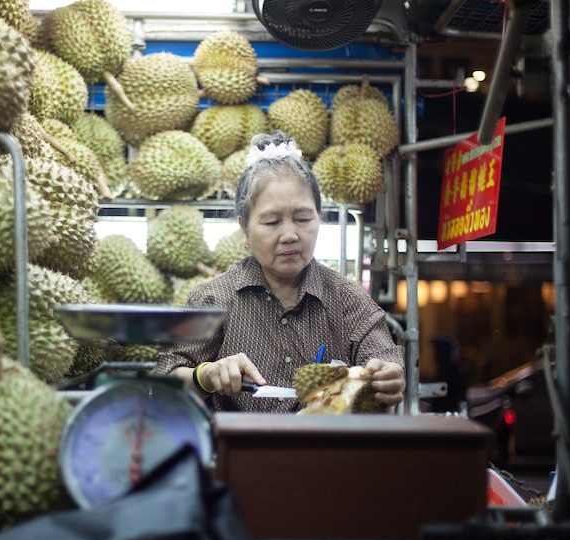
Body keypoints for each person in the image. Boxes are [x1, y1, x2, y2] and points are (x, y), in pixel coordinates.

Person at [155, 131, 406, 413]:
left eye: (302, 219)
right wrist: (205, 377)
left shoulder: (346, 298)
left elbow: (386, 358)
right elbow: (166, 381)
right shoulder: (213, 299)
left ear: (319, 219)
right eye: (272, 222)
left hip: (325, 454)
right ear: (245, 229)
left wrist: (388, 374)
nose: (290, 235)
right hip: (239, 453)